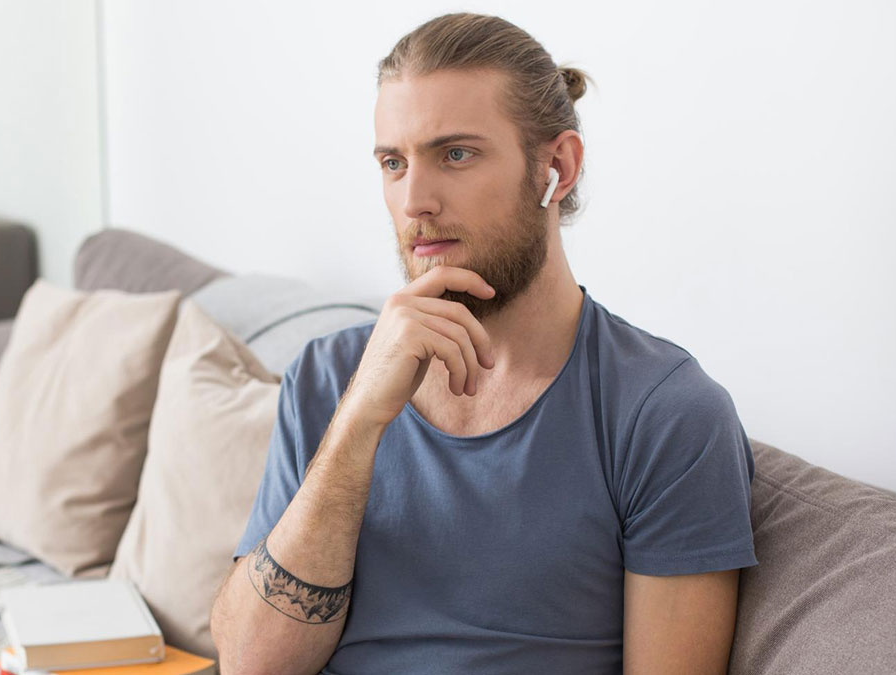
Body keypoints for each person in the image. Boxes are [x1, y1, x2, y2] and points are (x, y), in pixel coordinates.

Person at [210, 12, 757, 674]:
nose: (414, 200)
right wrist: (358, 423)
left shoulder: (665, 413)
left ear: (556, 167)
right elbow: (248, 662)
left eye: (456, 154)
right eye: (393, 162)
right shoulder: (328, 378)